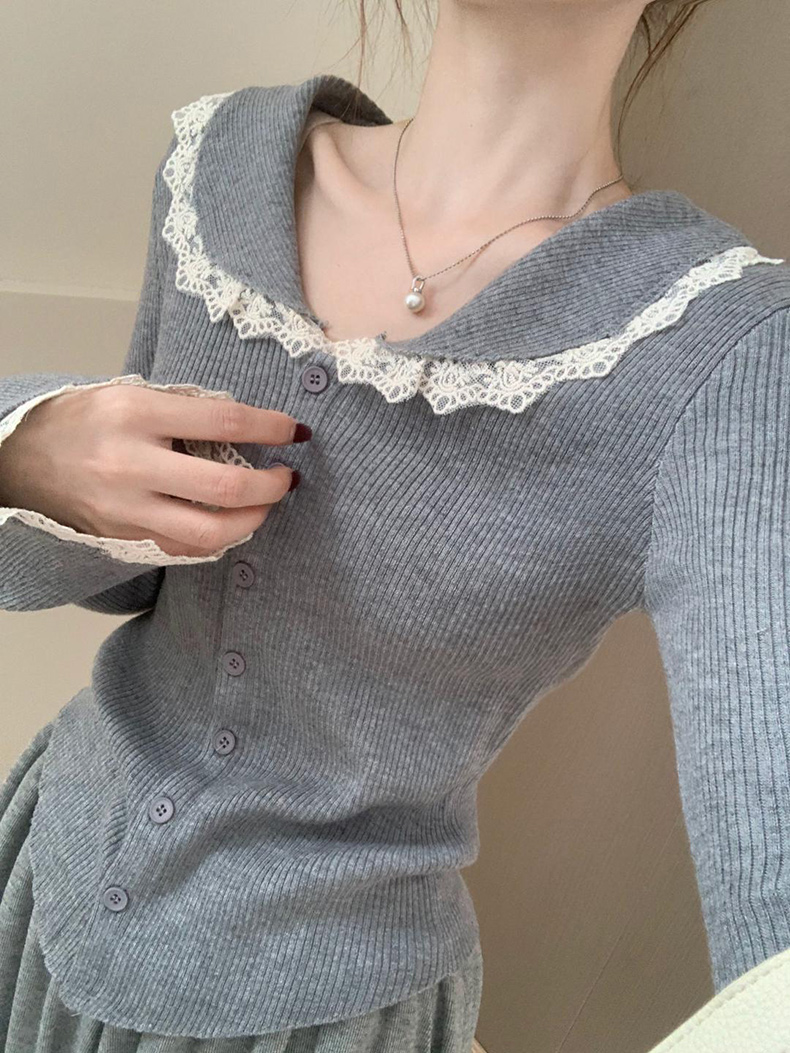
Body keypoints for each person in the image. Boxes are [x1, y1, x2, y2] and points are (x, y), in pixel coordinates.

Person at [1, 1, 788, 1050]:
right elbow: (132, 574)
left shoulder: (722, 349)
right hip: (41, 868)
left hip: (312, 1013)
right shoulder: (217, 162)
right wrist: (24, 453)